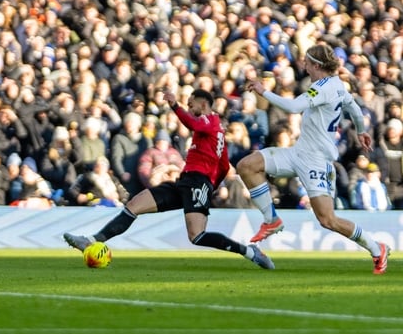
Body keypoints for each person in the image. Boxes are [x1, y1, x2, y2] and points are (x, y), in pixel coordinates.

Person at [64, 89, 275, 270]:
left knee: (197, 236)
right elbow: (222, 165)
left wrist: (175, 106)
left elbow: (193, 124)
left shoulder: (210, 121)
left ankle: (249, 252)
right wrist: (213, 184)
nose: (190, 109)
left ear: (203, 104)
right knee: (134, 205)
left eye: (191, 105)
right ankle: (91, 240)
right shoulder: (215, 131)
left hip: (197, 182)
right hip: (186, 181)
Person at [237, 43, 389, 274]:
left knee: (328, 220)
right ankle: (271, 220)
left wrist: (263, 91)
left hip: (317, 160)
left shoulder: (323, 88)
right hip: (299, 152)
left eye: (307, 63)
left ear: (316, 65)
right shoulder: (337, 85)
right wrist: (360, 131)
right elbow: (355, 110)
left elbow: (293, 106)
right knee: (247, 166)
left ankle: (376, 247)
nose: (304, 67)